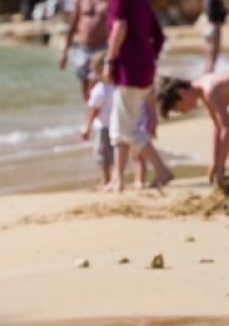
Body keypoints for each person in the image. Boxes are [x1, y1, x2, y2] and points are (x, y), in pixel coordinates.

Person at [101, 0, 174, 192]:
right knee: (122, 126)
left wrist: (108, 60)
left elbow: (120, 27)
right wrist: (149, 57)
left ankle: (161, 169)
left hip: (129, 70)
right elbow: (158, 37)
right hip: (144, 68)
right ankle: (118, 180)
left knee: (124, 130)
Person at [58, 0, 109, 101]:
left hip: (102, 49)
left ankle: (99, 113)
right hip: (84, 49)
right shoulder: (81, 1)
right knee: (85, 87)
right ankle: (89, 111)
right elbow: (72, 25)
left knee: (102, 85)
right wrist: (64, 52)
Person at [80, 51, 114, 188]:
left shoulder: (100, 90)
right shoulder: (118, 86)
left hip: (103, 127)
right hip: (117, 126)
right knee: (114, 156)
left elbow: (93, 111)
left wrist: (86, 127)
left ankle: (105, 180)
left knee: (103, 156)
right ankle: (114, 179)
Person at [203, 0, 227, 73]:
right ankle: (210, 75)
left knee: (208, 56)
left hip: (207, 27)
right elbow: (222, 14)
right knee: (213, 57)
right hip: (215, 28)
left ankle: (206, 74)